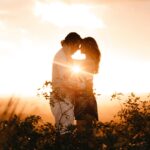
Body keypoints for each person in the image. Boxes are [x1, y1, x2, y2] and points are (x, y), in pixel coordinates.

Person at [51, 32, 82, 134]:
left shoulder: (65, 55)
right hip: (61, 98)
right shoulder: (61, 56)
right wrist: (81, 86)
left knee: (65, 130)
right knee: (64, 132)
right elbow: (66, 80)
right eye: (78, 45)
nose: (78, 49)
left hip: (65, 98)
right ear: (72, 43)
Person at [72, 37, 101, 133]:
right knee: (88, 132)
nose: (79, 48)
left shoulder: (87, 62)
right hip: (88, 99)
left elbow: (69, 61)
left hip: (83, 100)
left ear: (87, 46)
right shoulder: (91, 61)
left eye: (81, 45)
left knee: (82, 133)